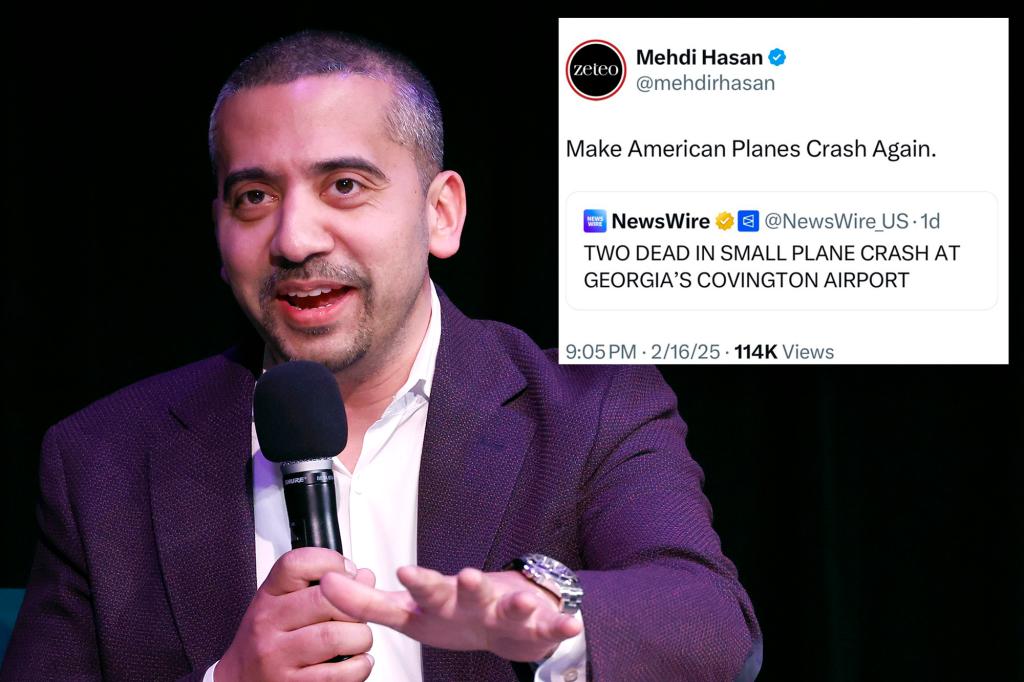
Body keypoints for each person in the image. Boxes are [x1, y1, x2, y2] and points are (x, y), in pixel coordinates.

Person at [0, 29, 762, 681]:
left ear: (441, 214)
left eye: (344, 185)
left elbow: (714, 625)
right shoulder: (100, 460)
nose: (294, 239)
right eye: (254, 197)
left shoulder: (589, 403)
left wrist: (553, 615)